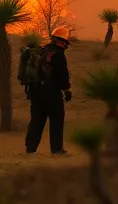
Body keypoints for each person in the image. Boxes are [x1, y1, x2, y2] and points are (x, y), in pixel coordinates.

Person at [25, 27, 72, 155]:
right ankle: (56, 149)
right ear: (63, 41)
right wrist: (67, 90)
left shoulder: (42, 50)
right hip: (51, 91)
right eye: (66, 43)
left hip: (35, 90)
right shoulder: (58, 53)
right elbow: (62, 73)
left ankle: (30, 148)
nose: (66, 45)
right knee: (57, 119)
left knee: (37, 119)